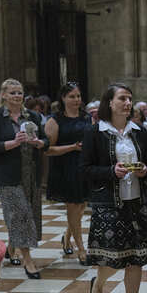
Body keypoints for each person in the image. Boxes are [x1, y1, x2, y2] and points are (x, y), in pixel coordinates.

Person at [82, 83, 147, 293]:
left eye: (129, 98)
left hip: (138, 202)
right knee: (114, 258)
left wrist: (145, 170)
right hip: (110, 203)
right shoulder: (95, 132)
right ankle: (98, 283)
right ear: (109, 102)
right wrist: (111, 171)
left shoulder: (139, 131)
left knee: (137, 257)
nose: (127, 103)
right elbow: (85, 169)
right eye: (122, 98)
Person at [0, 78, 48, 279]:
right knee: (20, 215)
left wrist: (39, 142)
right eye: (12, 92)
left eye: (20, 92)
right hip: (8, 175)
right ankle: (28, 260)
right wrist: (11, 143)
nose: (17, 96)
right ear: (3, 95)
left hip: (31, 174)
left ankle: (12, 248)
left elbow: (45, 140)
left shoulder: (32, 116)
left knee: (27, 213)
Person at [45, 81, 91, 265]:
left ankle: (66, 238)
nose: (76, 99)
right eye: (72, 96)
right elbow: (48, 150)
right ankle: (81, 249)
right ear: (63, 98)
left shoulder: (87, 117)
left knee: (81, 207)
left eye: (78, 96)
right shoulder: (54, 120)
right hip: (65, 167)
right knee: (73, 206)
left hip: (84, 166)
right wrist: (73, 147)